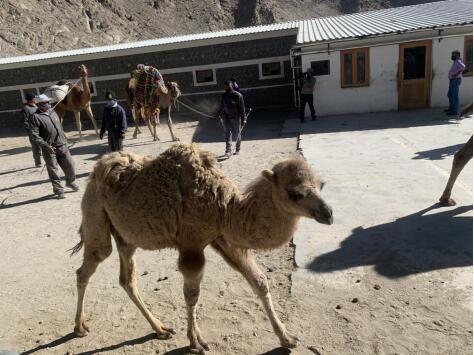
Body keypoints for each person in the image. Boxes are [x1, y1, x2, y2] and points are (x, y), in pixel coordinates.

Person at [29, 94, 78, 199]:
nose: (49, 104)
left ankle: (70, 182)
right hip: (49, 149)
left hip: (63, 145)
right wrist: (46, 146)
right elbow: (35, 136)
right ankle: (58, 189)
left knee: (70, 166)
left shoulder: (53, 112)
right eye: (46, 102)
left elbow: (59, 127)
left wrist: (65, 139)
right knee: (53, 170)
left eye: (48, 102)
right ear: (39, 105)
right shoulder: (35, 117)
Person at [217, 80, 246, 158]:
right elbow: (222, 106)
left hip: (236, 118)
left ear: (231, 86)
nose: (225, 88)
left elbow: (242, 108)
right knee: (227, 134)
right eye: (225, 86)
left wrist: (244, 118)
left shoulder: (238, 95)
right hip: (226, 117)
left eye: (227, 86)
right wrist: (218, 112)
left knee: (237, 134)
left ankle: (237, 149)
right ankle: (228, 150)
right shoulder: (223, 96)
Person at [21, 93, 42, 167]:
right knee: (36, 146)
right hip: (33, 130)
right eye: (35, 98)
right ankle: (38, 162)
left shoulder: (36, 106)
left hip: (41, 128)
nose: (36, 99)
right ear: (32, 99)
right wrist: (31, 130)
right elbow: (25, 121)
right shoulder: (26, 108)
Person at [446, 50, 466, 116]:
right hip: (453, 80)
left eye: (453, 54)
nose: (452, 56)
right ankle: (451, 108)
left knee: (454, 96)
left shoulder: (458, 61)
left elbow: (463, 67)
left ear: (457, 55)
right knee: (449, 94)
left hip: (455, 80)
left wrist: (455, 74)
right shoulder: (456, 61)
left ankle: (454, 111)